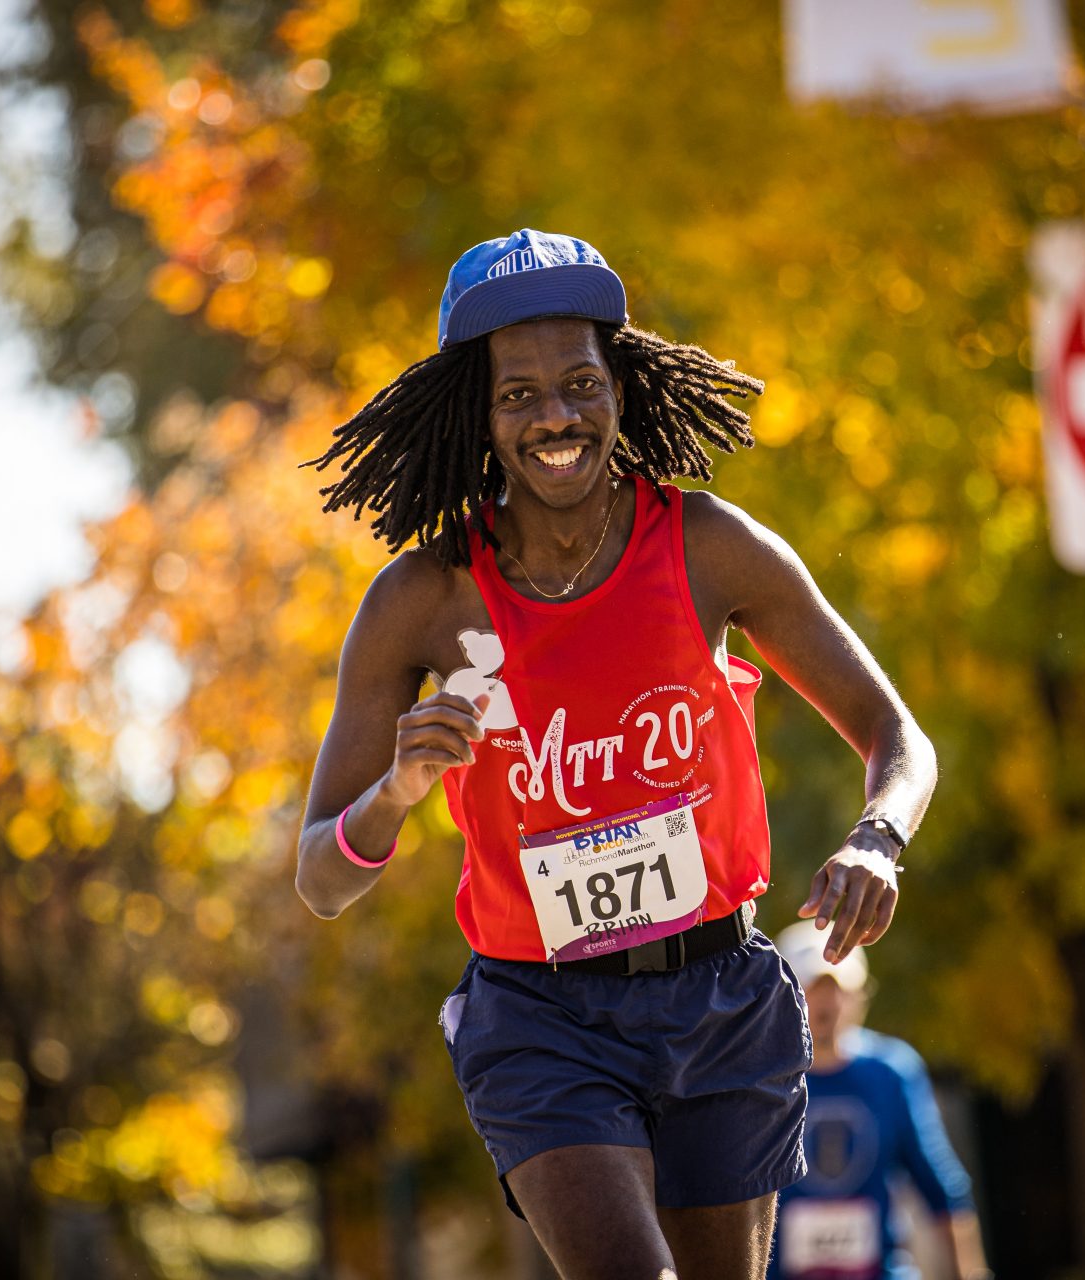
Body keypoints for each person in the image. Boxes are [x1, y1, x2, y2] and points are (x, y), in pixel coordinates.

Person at [292, 229, 937, 1280]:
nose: (556, 416)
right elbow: (319, 874)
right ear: (479, 414)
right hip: (543, 1015)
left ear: (622, 390)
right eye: (520, 395)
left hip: (720, 993)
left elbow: (897, 734)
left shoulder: (706, 545)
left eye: (582, 383)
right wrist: (401, 789)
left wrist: (878, 837)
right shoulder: (424, 599)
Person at [771, 922, 989, 1280]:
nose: (829, 1003)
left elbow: (942, 1189)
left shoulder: (891, 1073)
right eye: (813, 987)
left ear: (861, 996)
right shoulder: (758, 1083)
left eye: (840, 988)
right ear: (783, 997)